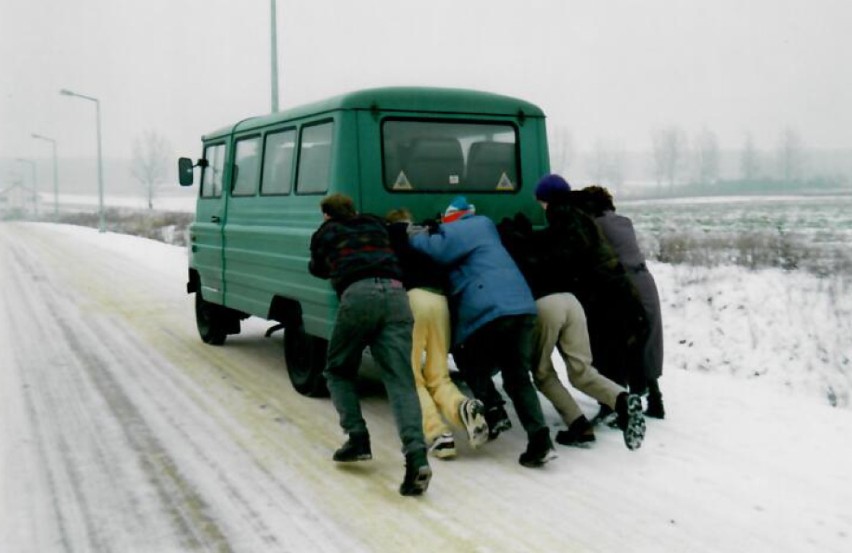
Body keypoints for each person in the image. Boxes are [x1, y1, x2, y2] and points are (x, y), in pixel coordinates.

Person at [498, 174, 647, 450]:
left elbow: (550, 257)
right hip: (575, 303)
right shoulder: (580, 216)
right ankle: (622, 400)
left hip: (554, 303)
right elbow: (558, 247)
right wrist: (532, 236)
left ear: (545, 199)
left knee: (542, 372)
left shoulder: (563, 216)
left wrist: (518, 239)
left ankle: (578, 424)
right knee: (581, 370)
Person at [408, 196, 556, 468]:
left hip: (491, 308)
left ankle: (493, 409)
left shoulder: (466, 226)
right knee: (517, 376)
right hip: (522, 307)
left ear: (453, 216)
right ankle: (540, 440)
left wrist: (414, 233)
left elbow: (436, 250)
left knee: (467, 356)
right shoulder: (486, 228)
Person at [308, 193, 431, 496]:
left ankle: (358, 439)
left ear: (327, 214)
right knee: (401, 380)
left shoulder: (326, 232)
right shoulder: (377, 224)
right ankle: (416, 457)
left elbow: (318, 268)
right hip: (396, 293)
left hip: (358, 295)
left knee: (338, 370)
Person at [385, 208, 489, 459]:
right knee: (438, 374)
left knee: (411, 377)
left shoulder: (393, 239)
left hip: (413, 300)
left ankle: (437, 433)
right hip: (439, 300)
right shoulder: (428, 239)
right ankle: (462, 406)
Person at [576, 185, 665, 419]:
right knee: (646, 341)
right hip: (645, 282)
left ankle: (615, 403)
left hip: (624, 287)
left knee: (613, 343)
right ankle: (655, 399)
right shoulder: (624, 222)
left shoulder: (596, 226)